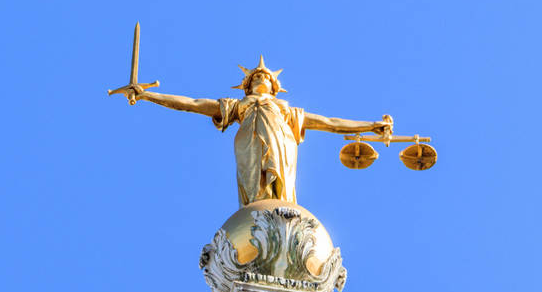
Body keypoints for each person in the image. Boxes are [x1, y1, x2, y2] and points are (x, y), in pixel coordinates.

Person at [124, 57, 392, 205]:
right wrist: (148, 95)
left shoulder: (285, 109)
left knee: (281, 191)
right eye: (256, 77)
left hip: (281, 144)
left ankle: (280, 206)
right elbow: (193, 104)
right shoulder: (238, 106)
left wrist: (370, 126)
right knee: (254, 187)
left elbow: (328, 122)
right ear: (247, 85)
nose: (261, 77)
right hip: (249, 143)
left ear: (275, 87)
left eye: (265, 77)